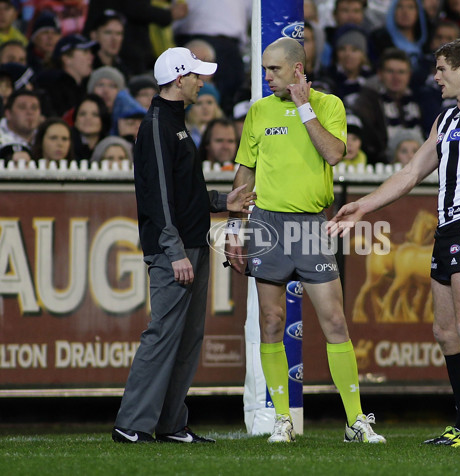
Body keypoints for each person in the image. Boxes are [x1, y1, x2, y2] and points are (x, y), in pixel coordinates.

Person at [328, 37, 460, 447]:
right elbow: (409, 174)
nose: (435, 77)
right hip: (447, 229)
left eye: (441, 69)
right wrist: (363, 206)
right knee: (444, 331)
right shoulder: (446, 120)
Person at [226, 37, 386, 444]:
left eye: (274, 70)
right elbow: (245, 171)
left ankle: (355, 421)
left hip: (312, 226)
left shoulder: (329, 105)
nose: (266, 77)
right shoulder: (258, 112)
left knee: (334, 321)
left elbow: (334, 154)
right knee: (271, 320)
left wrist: (303, 107)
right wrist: (233, 226)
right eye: (264, 68)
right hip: (267, 224)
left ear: (298, 69)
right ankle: (283, 419)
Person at [112, 47, 255, 444]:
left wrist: (221, 202)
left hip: (191, 244)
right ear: (179, 78)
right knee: (163, 333)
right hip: (175, 250)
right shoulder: (158, 124)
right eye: (196, 76)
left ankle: (171, 424)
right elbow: (157, 197)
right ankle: (132, 424)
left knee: (187, 336)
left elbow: (183, 191)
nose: (201, 82)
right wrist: (174, 252)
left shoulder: (172, 122)